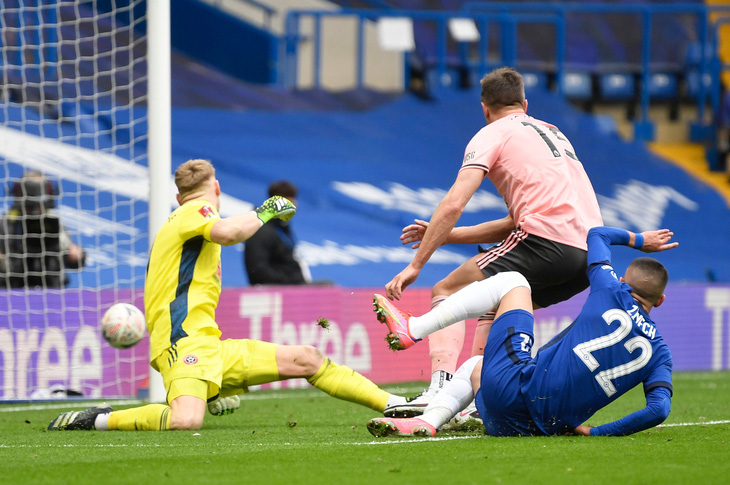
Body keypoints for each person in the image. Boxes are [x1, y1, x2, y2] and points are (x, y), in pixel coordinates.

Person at [48, 159, 406, 431]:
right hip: (185, 345)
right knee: (185, 421)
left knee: (306, 358)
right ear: (216, 188)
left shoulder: (179, 225)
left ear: (177, 194)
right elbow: (228, 231)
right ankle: (101, 419)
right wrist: (266, 210)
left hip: (207, 346)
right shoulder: (192, 212)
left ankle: (399, 404)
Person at [383, 67, 603, 415]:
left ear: (485, 108)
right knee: (493, 304)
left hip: (545, 242)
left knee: (448, 291)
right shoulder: (554, 133)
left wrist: (416, 265)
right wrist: (443, 237)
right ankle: (481, 399)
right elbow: (514, 222)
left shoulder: (492, 133)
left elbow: (455, 202)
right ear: (525, 103)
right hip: (588, 256)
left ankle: (438, 390)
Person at [368, 226, 677, 437]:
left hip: (509, 397)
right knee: (475, 367)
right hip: (524, 427)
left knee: (513, 281)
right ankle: (428, 421)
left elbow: (597, 234)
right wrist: (595, 431)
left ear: (623, 281)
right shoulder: (661, 354)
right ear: (660, 300)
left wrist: (639, 239)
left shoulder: (611, 289)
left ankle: (414, 328)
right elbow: (658, 410)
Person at [0, 170, 85, 289]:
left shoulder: (53, 222)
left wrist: (76, 255)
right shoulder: (7, 222)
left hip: (50, 288)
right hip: (12, 288)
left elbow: (74, 261)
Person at [244, 180, 310, 286]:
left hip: (291, 288)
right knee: (327, 287)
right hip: (275, 293)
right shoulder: (260, 231)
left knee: (326, 287)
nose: (295, 205)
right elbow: (258, 271)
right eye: (290, 201)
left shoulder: (281, 227)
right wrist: (293, 282)